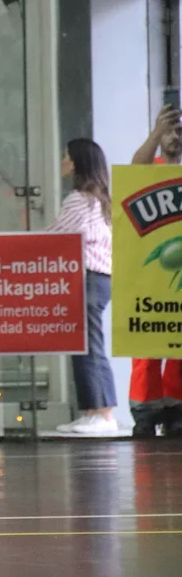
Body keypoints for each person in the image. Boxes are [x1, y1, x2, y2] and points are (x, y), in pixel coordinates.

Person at [48, 138, 117, 435]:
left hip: (87, 277)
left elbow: (58, 235)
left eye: (67, 156)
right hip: (99, 279)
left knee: (88, 345)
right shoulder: (100, 200)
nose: (63, 161)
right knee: (85, 344)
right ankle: (93, 411)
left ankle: (103, 413)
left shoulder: (79, 199)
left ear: (78, 163)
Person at [130, 104, 182, 436]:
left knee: (179, 345)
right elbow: (134, 169)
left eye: (179, 132)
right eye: (170, 131)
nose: (175, 137)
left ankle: (176, 408)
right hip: (149, 276)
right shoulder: (152, 167)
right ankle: (145, 411)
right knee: (146, 343)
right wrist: (156, 132)